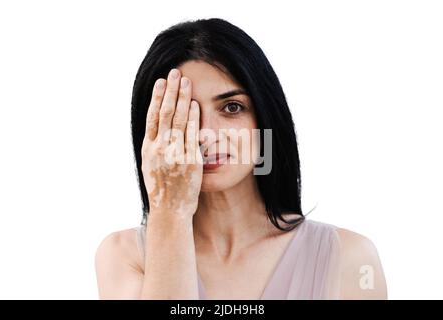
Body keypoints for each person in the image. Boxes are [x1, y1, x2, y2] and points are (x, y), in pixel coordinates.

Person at [95, 18, 387, 300]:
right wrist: (170, 211)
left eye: (232, 107)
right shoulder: (124, 256)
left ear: (265, 120)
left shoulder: (350, 258)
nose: (206, 134)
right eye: (186, 112)